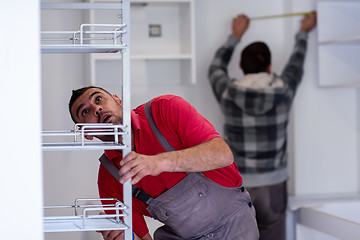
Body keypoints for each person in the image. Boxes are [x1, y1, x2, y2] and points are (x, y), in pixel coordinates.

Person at [68, 86, 259, 240]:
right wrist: (122, 236)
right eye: (85, 112)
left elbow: (223, 154)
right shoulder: (109, 178)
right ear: (87, 133)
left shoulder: (165, 109)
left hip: (235, 226)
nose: (96, 109)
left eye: (98, 99)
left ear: (118, 100)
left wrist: (159, 162)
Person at [207, 12, 317, 240]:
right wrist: (303, 33)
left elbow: (215, 68)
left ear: (240, 64)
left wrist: (235, 36)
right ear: (269, 66)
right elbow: (296, 63)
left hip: (238, 184)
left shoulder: (228, 92)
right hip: (273, 187)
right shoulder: (284, 90)